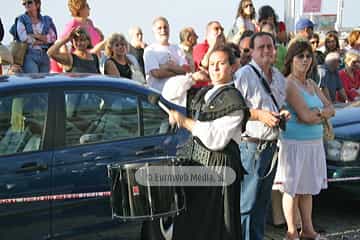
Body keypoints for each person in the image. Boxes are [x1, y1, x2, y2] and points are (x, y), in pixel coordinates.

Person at [166, 45, 249, 240]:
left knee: (217, 227)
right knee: (193, 223)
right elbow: (169, 93)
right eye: (212, 64)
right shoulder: (205, 92)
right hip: (198, 165)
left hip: (220, 169)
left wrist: (186, 122)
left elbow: (216, 139)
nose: (215, 69)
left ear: (233, 66)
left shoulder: (233, 98)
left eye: (221, 63)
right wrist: (192, 77)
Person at [273, 38, 334, 240]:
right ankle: (292, 233)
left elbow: (331, 108)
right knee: (292, 191)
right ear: (291, 59)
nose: (305, 60)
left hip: (313, 144)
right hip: (294, 145)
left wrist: (317, 112)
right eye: (301, 56)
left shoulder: (311, 84)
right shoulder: (289, 84)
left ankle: (308, 231)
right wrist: (320, 112)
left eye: (309, 56)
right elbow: (305, 117)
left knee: (307, 190)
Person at [234, 32, 289, 240]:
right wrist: (259, 115)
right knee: (246, 205)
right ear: (253, 51)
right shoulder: (244, 75)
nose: (266, 50)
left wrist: (282, 113)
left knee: (262, 204)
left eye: (270, 46)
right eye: (261, 47)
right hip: (251, 147)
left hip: (271, 146)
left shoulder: (279, 77)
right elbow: (235, 110)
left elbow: (280, 104)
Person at [51, 0, 103, 73]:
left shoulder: (89, 22)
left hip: (92, 61)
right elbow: (62, 41)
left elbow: (95, 41)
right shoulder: (73, 23)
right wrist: (64, 61)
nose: (89, 8)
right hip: (77, 64)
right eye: (87, 6)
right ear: (80, 8)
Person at [143, 16, 189, 92]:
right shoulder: (150, 50)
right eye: (159, 28)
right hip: (159, 95)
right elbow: (157, 73)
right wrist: (177, 70)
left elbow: (186, 70)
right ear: (154, 31)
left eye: (165, 27)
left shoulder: (177, 49)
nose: (163, 30)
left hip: (178, 95)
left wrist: (168, 67)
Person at [9, 0, 57, 73]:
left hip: (45, 55)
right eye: (24, 3)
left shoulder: (47, 20)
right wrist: (43, 40)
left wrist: (35, 36)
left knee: (45, 83)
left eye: (29, 2)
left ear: (38, 4)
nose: (26, 5)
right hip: (29, 55)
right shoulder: (21, 19)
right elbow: (23, 38)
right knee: (33, 81)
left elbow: (53, 37)